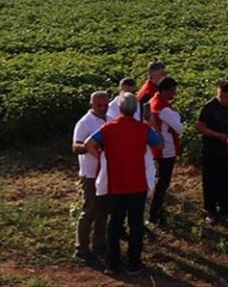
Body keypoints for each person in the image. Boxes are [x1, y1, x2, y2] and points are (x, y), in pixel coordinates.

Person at [86, 92, 162, 276]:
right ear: (135, 108)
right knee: (136, 224)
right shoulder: (142, 129)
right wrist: (150, 124)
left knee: (114, 223)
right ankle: (134, 264)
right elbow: (159, 144)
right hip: (137, 183)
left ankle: (112, 263)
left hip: (116, 182)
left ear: (119, 109)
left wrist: (104, 158)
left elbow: (89, 143)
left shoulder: (108, 128)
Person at [72, 90, 110, 263]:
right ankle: (81, 248)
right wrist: (91, 147)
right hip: (90, 173)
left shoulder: (109, 119)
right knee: (89, 210)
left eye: (105, 105)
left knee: (103, 210)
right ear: (91, 105)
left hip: (105, 172)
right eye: (99, 105)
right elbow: (76, 146)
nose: (102, 108)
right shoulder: (85, 123)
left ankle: (99, 244)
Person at [196, 80, 228, 225]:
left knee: (226, 181)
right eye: (220, 95)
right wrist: (217, 135)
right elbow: (200, 127)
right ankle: (211, 211)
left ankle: (225, 211)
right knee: (211, 181)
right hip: (211, 150)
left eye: (226, 96)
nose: (223, 99)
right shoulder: (209, 107)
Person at [148, 76, 183, 226]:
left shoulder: (152, 102)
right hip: (166, 148)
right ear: (164, 91)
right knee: (163, 181)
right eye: (172, 91)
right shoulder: (164, 109)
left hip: (156, 146)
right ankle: (155, 212)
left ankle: (155, 209)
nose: (174, 94)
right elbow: (179, 128)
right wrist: (177, 116)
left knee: (159, 179)